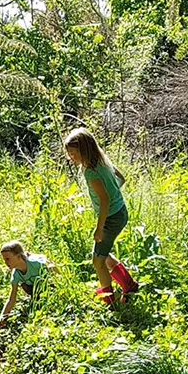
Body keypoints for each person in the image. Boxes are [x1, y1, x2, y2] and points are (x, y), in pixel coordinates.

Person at [63, 127, 139, 305]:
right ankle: (128, 284)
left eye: (74, 154)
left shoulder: (90, 171)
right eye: (69, 154)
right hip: (120, 212)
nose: (71, 158)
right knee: (102, 254)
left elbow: (104, 200)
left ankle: (109, 299)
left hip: (111, 217)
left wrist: (99, 227)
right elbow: (121, 178)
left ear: (85, 150)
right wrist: (112, 193)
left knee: (97, 260)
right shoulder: (102, 160)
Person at [0, 241, 53, 327]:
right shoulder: (16, 274)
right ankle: (36, 299)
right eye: (4, 260)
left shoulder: (35, 263)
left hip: (48, 284)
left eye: (8, 259)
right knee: (25, 285)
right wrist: (3, 316)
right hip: (34, 288)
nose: (5, 262)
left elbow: (52, 266)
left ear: (19, 256)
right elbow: (11, 299)